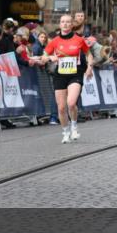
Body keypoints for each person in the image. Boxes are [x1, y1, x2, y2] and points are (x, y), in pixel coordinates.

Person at [42, 13, 93, 142]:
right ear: (60, 25)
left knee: (71, 103)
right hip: (60, 75)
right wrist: (50, 57)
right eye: (62, 22)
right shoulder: (54, 41)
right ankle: (65, 132)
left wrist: (89, 67)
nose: (65, 24)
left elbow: (89, 54)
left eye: (67, 22)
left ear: (71, 25)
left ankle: (74, 127)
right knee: (61, 107)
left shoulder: (79, 40)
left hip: (75, 74)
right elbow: (43, 57)